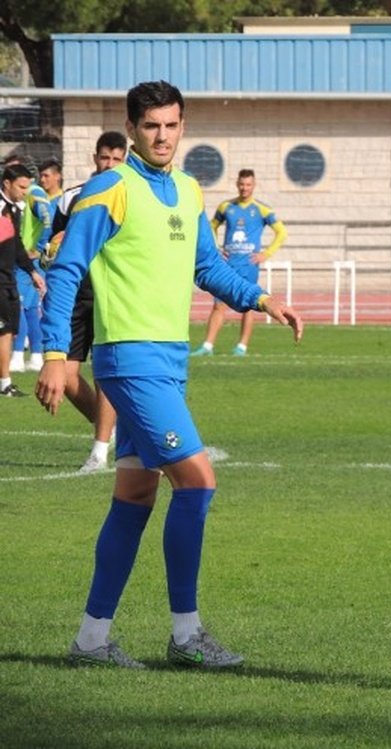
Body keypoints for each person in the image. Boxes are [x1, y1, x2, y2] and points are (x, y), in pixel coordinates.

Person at [35, 80, 303, 669]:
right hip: (128, 361)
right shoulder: (111, 189)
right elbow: (67, 271)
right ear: (131, 128)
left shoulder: (187, 190)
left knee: (135, 493)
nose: (162, 136)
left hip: (169, 362)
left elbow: (208, 267)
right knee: (199, 481)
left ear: (183, 127)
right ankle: (186, 635)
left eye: (172, 125)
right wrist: (56, 354)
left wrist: (261, 299)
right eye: (151, 125)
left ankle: (90, 641)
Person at [47, 131, 128, 472]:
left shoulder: (131, 196)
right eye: (104, 157)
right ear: (95, 158)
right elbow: (53, 242)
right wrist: (52, 247)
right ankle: (117, 430)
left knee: (105, 374)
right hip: (78, 295)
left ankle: (99, 451)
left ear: (125, 159)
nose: (108, 164)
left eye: (116, 159)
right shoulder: (71, 199)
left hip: (112, 294)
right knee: (65, 376)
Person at [191, 169, 287, 357]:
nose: (245, 188)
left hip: (249, 265)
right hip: (228, 264)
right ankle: (207, 346)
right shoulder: (226, 207)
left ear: (254, 185)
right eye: (242, 184)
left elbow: (281, 232)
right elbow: (210, 227)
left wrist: (266, 254)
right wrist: (216, 247)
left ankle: (242, 346)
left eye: (248, 185)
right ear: (237, 184)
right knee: (218, 305)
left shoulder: (261, 209)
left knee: (249, 305)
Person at [0, 163, 46, 396]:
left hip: (8, 279)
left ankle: (4, 383)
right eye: (21, 187)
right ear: (7, 183)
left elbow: (16, 244)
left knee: (8, 331)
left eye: (28, 188)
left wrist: (33, 272)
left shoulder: (15, 209)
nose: (24, 192)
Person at [8, 156, 51, 373]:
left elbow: (48, 220)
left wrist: (39, 247)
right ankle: (35, 356)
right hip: (27, 258)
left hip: (26, 259)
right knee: (32, 310)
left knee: (20, 307)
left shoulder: (33, 194)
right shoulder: (31, 194)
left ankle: (16, 356)